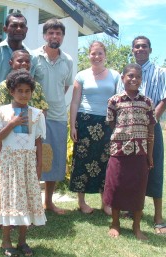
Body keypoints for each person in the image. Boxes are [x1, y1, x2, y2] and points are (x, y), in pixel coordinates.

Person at [0, 69, 46, 257]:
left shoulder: (37, 114)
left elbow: (39, 142)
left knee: (26, 200)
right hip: (9, 163)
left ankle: (22, 241)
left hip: (28, 163)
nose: (24, 95)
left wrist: (39, 165)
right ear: (11, 91)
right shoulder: (2, 112)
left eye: (27, 91)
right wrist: (12, 123)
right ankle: (5, 241)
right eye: (19, 90)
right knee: (9, 199)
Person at [117, 36, 166, 234]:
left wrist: (150, 120)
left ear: (150, 49)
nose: (140, 49)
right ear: (132, 50)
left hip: (151, 128)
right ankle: (130, 207)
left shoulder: (160, 72)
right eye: (136, 46)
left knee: (153, 168)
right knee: (131, 168)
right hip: (128, 130)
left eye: (144, 46)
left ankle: (158, 215)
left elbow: (164, 98)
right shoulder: (126, 72)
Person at [104, 63, 156, 240]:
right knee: (117, 186)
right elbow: (111, 124)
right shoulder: (114, 101)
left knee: (138, 188)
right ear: (123, 78)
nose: (134, 79)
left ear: (142, 80)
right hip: (119, 151)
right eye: (130, 76)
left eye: (138, 77)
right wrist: (123, 137)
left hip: (140, 153)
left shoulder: (147, 102)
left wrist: (149, 155)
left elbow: (151, 131)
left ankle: (137, 226)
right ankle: (115, 223)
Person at [69, 41, 120, 215]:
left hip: (107, 123)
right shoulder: (81, 75)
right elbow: (75, 102)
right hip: (84, 121)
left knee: (105, 162)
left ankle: (105, 203)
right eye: (93, 53)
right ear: (88, 55)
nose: (96, 57)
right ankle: (81, 202)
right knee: (82, 161)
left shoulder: (115, 75)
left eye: (100, 53)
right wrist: (73, 125)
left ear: (105, 55)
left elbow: (119, 101)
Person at [33, 18, 73, 215]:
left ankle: (48, 202)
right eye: (51, 33)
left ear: (62, 37)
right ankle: (32, 202)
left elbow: (64, 87)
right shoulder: (33, 57)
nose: (54, 36)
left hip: (57, 116)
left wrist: (54, 102)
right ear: (44, 35)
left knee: (54, 161)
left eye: (58, 33)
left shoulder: (68, 60)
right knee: (34, 159)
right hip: (34, 117)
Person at [0, 12, 41, 96]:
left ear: (26, 30)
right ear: (5, 29)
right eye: (14, 25)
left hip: (21, 107)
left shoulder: (32, 57)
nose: (19, 29)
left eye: (22, 26)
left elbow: (31, 85)